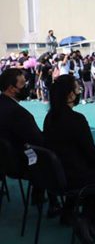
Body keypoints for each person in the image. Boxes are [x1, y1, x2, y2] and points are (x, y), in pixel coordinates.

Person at [43, 74, 95, 244]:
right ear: (70, 95)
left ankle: (87, 222)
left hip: (55, 175)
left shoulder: (50, 117)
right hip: (73, 176)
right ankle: (88, 219)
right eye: (76, 87)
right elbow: (90, 152)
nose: (78, 90)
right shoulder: (76, 119)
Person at [0, 68, 60, 215]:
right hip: (18, 163)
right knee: (50, 156)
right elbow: (39, 141)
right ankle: (56, 204)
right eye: (22, 84)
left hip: (3, 161)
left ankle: (38, 195)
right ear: (11, 88)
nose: (26, 86)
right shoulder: (19, 113)